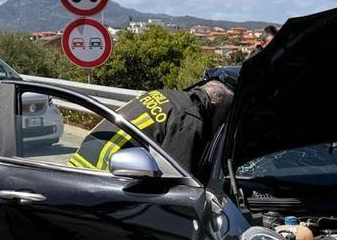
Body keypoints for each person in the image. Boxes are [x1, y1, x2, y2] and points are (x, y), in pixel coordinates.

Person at [69, 69, 235, 174]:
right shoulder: (190, 121)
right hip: (103, 171)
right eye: (225, 113)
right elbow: (178, 178)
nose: (223, 120)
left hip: (80, 162)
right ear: (215, 105)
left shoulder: (167, 95)